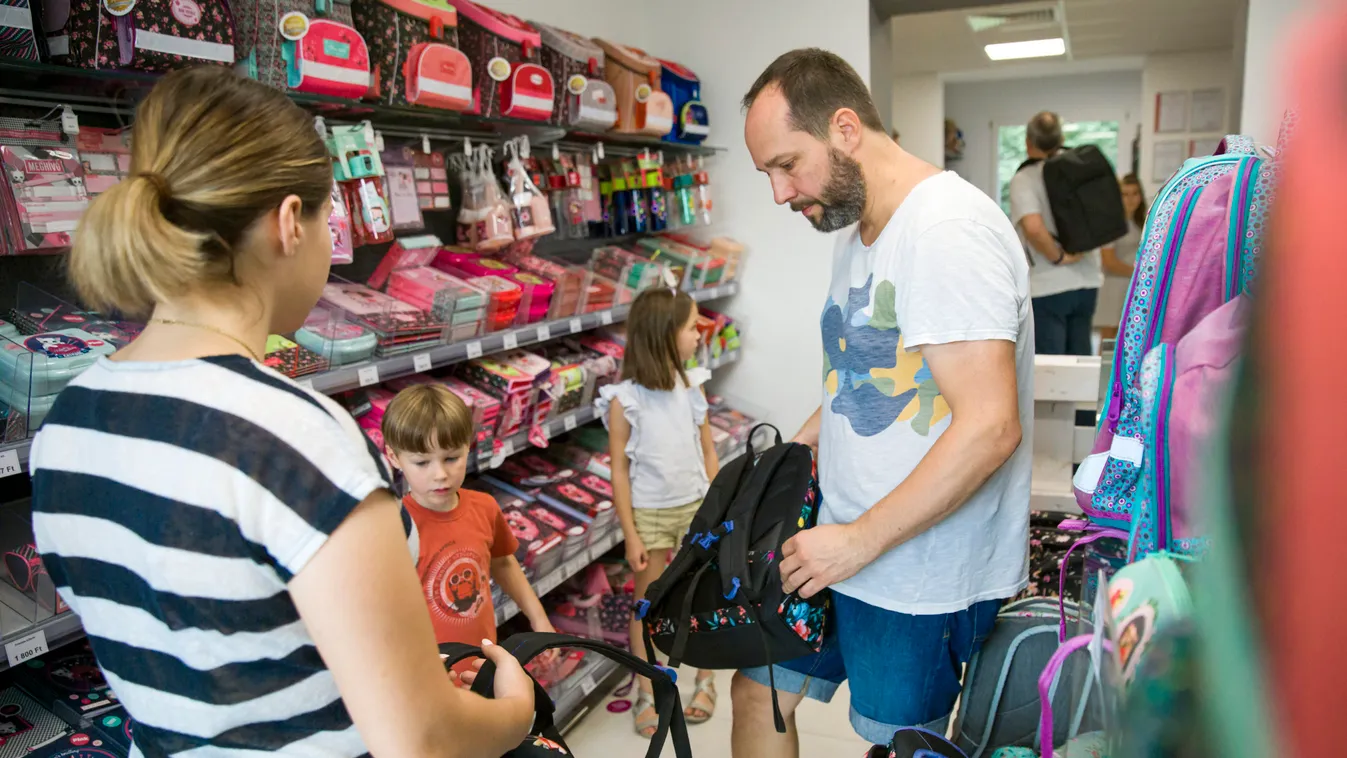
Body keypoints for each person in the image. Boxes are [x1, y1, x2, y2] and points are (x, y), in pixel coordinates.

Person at [27, 67, 533, 758]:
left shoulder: (67, 423)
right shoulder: (291, 433)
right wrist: (514, 715)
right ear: (289, 223)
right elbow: (419, 739)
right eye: (331, 221)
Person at [737, 48, 1032, 754]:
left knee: (895, 743)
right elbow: (853, 378)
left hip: (917, 572)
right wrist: (777, 471)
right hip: (832, 539)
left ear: (843, 128)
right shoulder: (860, 225)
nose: (780, 194)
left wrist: (857, 543)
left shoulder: (945, 233)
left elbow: (991, 428)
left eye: (786, 164)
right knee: (758, 694)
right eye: (767, 174)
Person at [597, 287, 720, 737]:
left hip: (693, 507)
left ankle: (706, 677)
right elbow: (620, 471)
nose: (697, 336)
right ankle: (648, 685)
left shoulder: (693, 386)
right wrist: (629, 533)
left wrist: (714, 505)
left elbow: (707, 450)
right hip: (648, 515)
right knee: (646, 604)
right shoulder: (624, 399)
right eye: (691, 328)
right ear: (665, 335)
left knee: (701, 596)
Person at [380, 384, 555, 652]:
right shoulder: (393, 528)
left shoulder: (485, 508)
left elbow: (504, 564)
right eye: (422, 462)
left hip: (481, 660)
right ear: (394, 457)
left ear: (468, 447)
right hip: (428, 675)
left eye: (451, 458)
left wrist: (539, 618)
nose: (440, 474)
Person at [1009, 111, 1104, 355]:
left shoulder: (1025, 178)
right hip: (1087, 280)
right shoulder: (1081, 167)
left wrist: (1059, 257)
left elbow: (1033, 227)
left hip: (1048, 284)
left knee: (1053, 373)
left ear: (1029, 143)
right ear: (1060, 138)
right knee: (1080, 365)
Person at [1094, 173, 1148, 339]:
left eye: (1135, 193)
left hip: (1136, 286)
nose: (1130, 199)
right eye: (1125, 194)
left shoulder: (1142, 221)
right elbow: (1108, 261)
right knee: (1109, 340)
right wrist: (1140, 272)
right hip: (1115, 285)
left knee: (1133, 338)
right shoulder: (1111, 223)